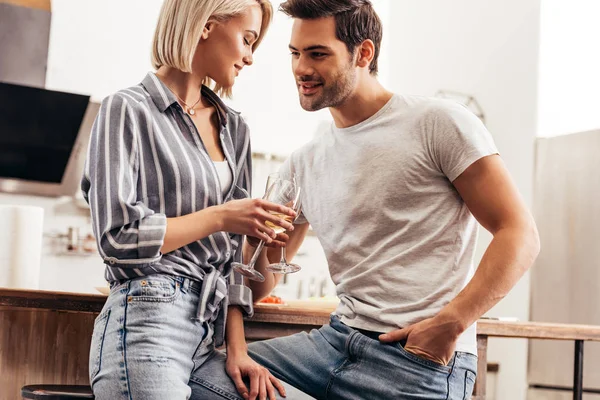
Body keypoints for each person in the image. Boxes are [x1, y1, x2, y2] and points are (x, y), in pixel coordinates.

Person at [235, 0, 539, 399]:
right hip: (333, 344)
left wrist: (451, 322)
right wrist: (261, 254)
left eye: (317, 53)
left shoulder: (439, 123)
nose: (301, 69)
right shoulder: (302, 163)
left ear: (363, 53)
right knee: (205, 378)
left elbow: (520, 233)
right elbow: (263, 280)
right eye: (295, 54)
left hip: (413, 358)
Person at [81, 1, 309, 399]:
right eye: (247, 39)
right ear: (206, 25)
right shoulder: (127, 110)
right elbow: (117, 238)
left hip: (210, 336)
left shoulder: (234, 128)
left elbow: (233, 260)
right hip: (146, 322)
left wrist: (238, 349)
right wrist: (221, 217)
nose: (250, 58)